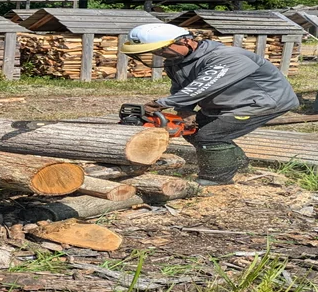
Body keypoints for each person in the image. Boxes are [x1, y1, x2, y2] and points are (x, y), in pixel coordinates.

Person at [122, 23, 300, 184]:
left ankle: (217, 178)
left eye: (161, 50)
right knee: (191, 131)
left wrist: (161, 104)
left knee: (210, 135)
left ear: (185, 41)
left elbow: (203, 86)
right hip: (227, 103)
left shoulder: (225, 57)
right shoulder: (176, 62)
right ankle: (238, 165)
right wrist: (184, 111)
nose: (159, 54)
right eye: (155, 51)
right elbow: (181, 88)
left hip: (262, 102)